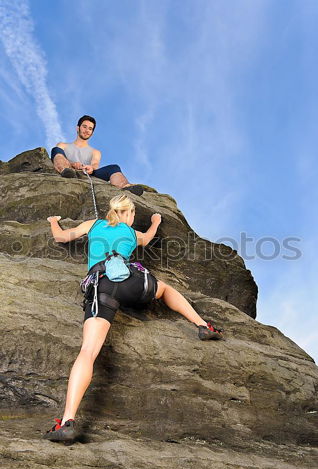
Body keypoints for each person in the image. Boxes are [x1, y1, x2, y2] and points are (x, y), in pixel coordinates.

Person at [44, 194, 223, 442]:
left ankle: (67, 421)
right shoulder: (133, 233)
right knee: (166, 289)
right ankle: (203, 325)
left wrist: (54, 221)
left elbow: (61, 236)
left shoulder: (93, 225)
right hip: (133, 282)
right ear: (128, 214)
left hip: (102, 287)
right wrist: (156, 222)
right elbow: (148, 238)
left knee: (88, 352)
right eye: (133, 214)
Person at [51, 115, 143, 196]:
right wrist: (72, 164)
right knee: (56, 150)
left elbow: (95, 164)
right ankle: (65, 171)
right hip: (69, 169)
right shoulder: (63, 145)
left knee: (114, 167)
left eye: (90, 129)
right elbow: (58, 157)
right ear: (77, 128)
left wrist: (90, 168)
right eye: (84, 127)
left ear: (92, 133)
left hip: (87, 173)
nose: (87, 130)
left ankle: (126, 187)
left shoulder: (95, 152)